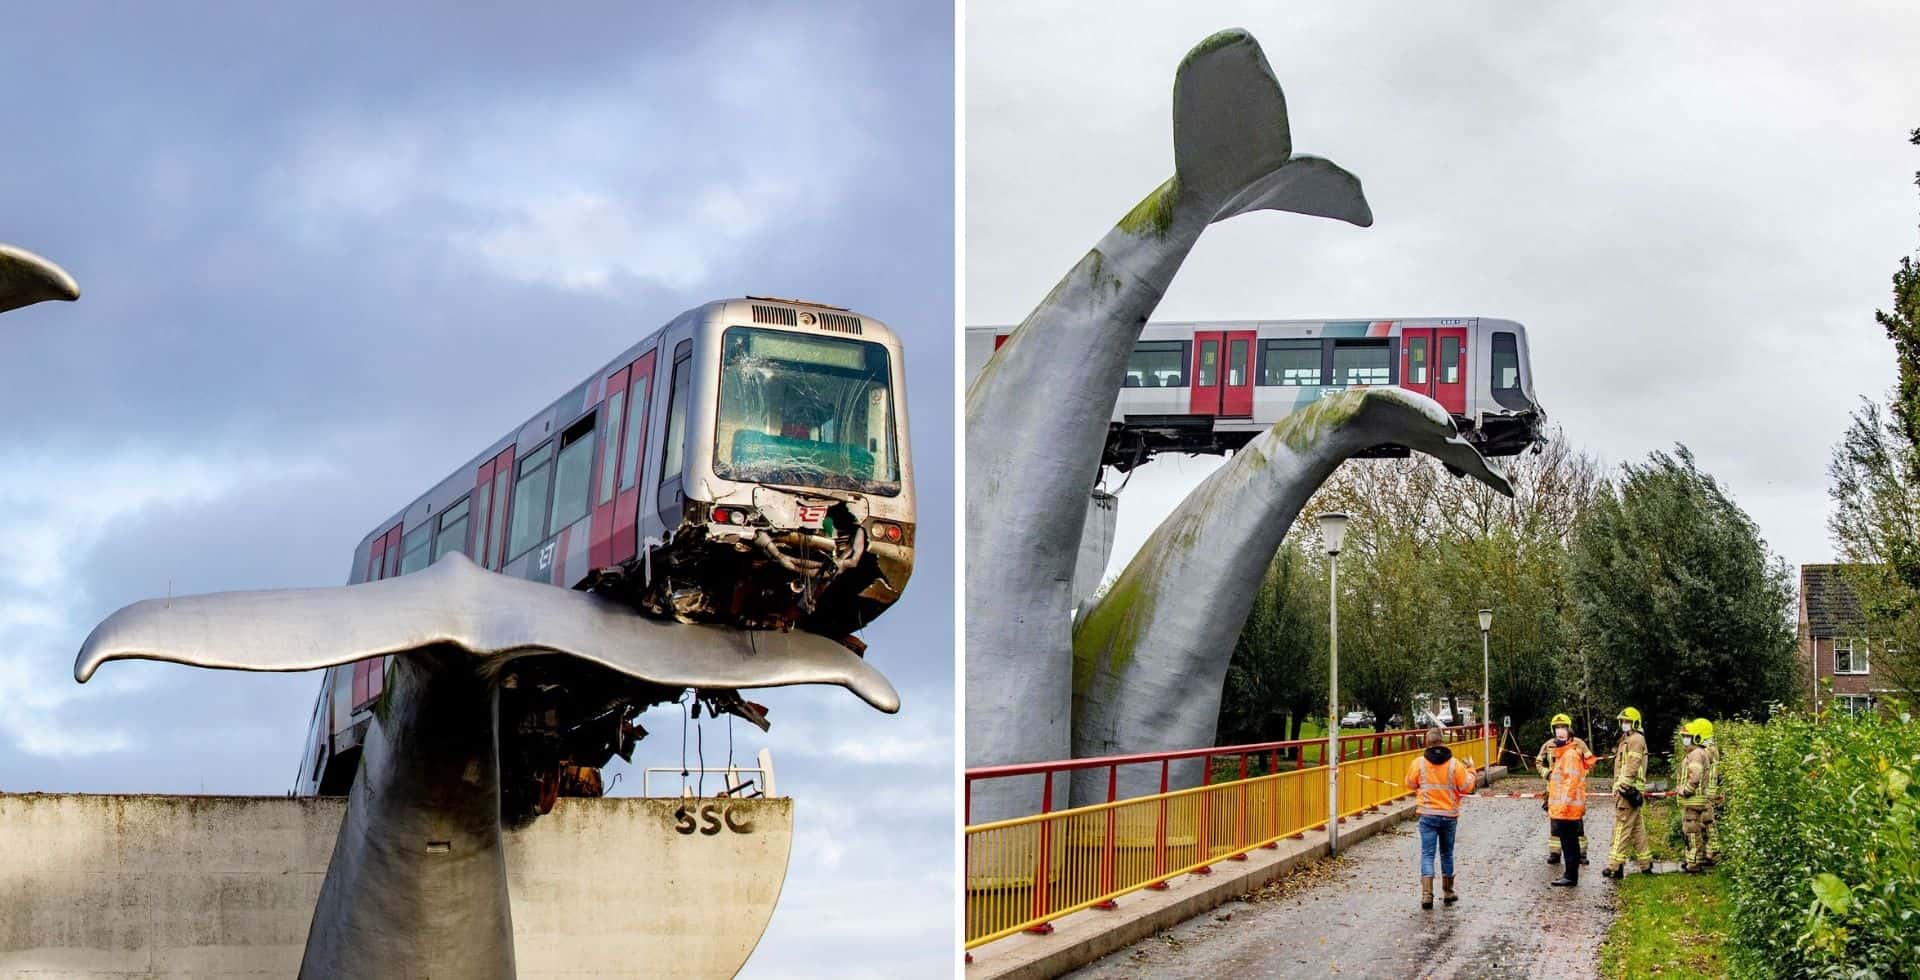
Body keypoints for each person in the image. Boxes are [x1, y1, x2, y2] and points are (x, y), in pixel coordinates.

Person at [1405, 727, 1478, 909]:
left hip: (1428, 815)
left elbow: (1409, 783)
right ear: (1443, 741)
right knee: (1446, 853)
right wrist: (1472, 771)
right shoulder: (1454, 765)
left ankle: (1427, 895)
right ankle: (1448, 892)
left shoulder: (1419, 763)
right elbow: (1466, 787)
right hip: (1449, 816)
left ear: (1427, 743)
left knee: (1427, 854)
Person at [1544, 713, 1596, 886]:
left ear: (1569, 733)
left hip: (1568, 809)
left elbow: (1571, 782)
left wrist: (1564, 805)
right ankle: (1570, 874)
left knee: (1569, 843)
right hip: (1566, 808)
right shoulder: (1564, 754)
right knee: (1568, 843)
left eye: (1563, 729)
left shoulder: (1570, 755)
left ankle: (1570, 875)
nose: (1559, 733)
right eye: (1557, 729)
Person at [1602, 707, 1653, 878]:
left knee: (1621, 827)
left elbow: (1632, 765)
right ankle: (1646, 865)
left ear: (1635, 723)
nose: (1624, 724)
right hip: (1632, 790)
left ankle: (1614, 865)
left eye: (1627, 721)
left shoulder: (1636, 740)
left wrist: (1621, 786)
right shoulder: (1629, 739)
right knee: (1637, 829)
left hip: (1628, 791)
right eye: (1622, 721)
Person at [1535, 713, 1589, 866]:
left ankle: (1581, 854)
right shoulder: (1548, 745)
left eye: (1563, 727)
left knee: (1576, 825)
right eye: (1557, 727)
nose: (1560, 730)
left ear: (1569, 728)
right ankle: (1555, 853)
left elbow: (1589, 761)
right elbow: (1539, 762)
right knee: (1555, 824)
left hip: (1573, 792)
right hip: (1554, 793)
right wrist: (1547, 774)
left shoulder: (1579, 744)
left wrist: (1579, 775)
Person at [1676, 719, 1714, 873]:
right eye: (1683, 736)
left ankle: (1693, 863)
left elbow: (1695, 776)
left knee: (1691, 831)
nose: (1684, 739)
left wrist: (1686, 790)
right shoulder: (1697, 753)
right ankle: (1693, 860)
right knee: (1695, 830)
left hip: (1692, 799)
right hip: (1695, 799)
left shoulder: (1696, 754)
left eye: (1687, 736)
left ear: (1696, 738)